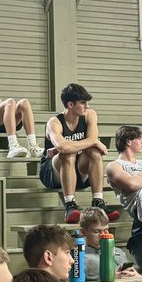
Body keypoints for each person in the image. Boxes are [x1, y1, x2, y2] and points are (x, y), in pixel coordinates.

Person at [40, 83, 117, 226]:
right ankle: (70, 205)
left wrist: (87, 143)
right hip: (52, 173)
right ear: (70, 104)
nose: (86, 106)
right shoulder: (54, 122)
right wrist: (90, 142)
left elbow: (93, 141)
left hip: (77, 169)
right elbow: (64, 148)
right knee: (67, 155)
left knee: (94, 152)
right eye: (82, 103)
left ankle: (98, 202)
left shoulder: (90, 115)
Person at [105, 125, 142, 217]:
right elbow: (131, 185)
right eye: (139, 138)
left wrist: (138, 177)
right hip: (141, 207)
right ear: (128, 141)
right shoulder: (114, 166)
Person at [79, 207, 139, 280]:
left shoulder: (118, 252)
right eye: (96, 231)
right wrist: (115, 277)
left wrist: (137, 276)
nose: (103, 235)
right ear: (83, 232)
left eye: (106, 230)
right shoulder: (79, 257)